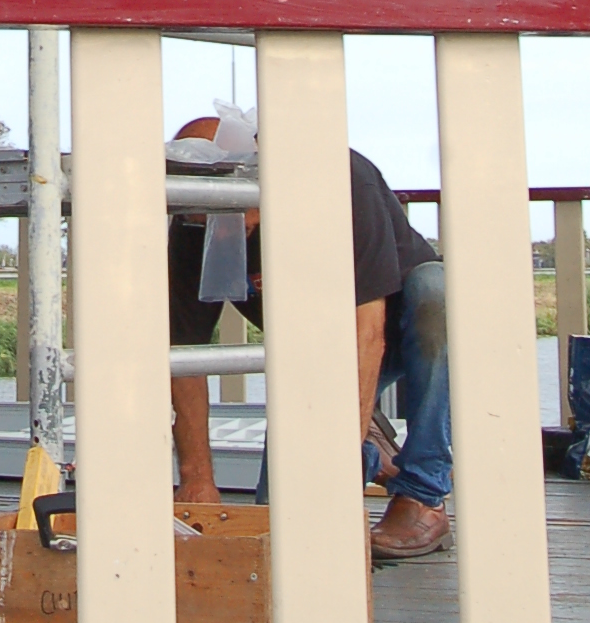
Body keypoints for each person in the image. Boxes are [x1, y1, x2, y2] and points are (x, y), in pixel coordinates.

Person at [167, 109, 452, 561]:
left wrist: (341, 455)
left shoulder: (343, 181)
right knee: (283, 522)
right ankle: (370, 449)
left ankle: (423, 495)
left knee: (436, 292)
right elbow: (185, 351)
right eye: (201, 217)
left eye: (228, 215)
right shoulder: (194, 219)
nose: (213, 229)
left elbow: (367, 333)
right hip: (315, 348)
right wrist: (197, 479)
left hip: (392, 327)